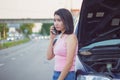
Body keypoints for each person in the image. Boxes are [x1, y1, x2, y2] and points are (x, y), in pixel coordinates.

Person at [46, 8, 78, 80]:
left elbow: (69, 63)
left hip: (67, 75)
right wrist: (51, 39)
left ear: (66, 21)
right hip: (56, 73)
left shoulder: (71, 38)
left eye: (59, 20)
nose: (56, 23)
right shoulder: (59, 37)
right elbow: (49, 57)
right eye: (54, 20)